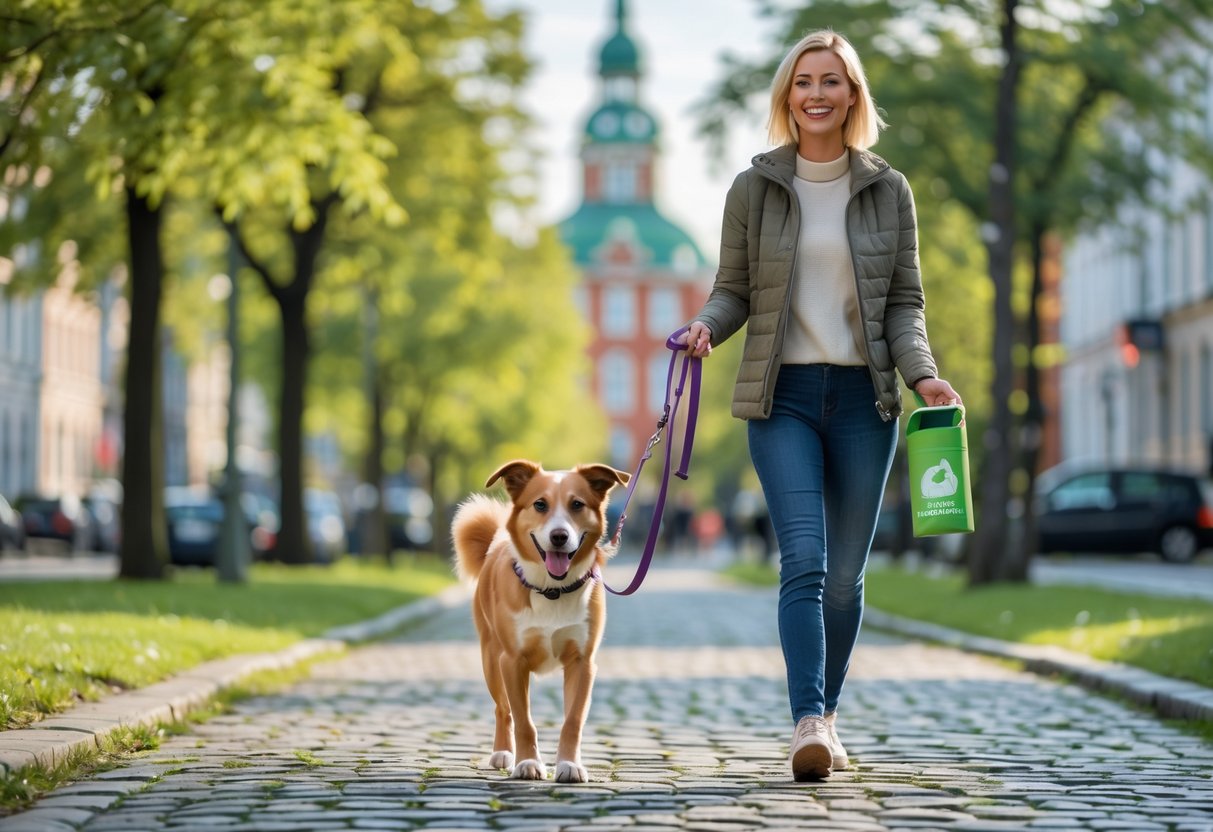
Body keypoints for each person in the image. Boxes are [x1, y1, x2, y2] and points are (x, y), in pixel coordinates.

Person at [681, 29, 961, 782]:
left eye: (830, 81)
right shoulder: (753, 188)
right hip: (784, 397)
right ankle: (806, 718)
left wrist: (922, 376)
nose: (815, 93)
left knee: (845, 578)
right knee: (803, 558)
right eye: (802, 80)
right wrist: (706, 328)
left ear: (851, 95)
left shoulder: (886, 189)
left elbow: (903, 303)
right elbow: (732, 288)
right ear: (786, 95)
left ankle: (827, 714)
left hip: (865, 400)